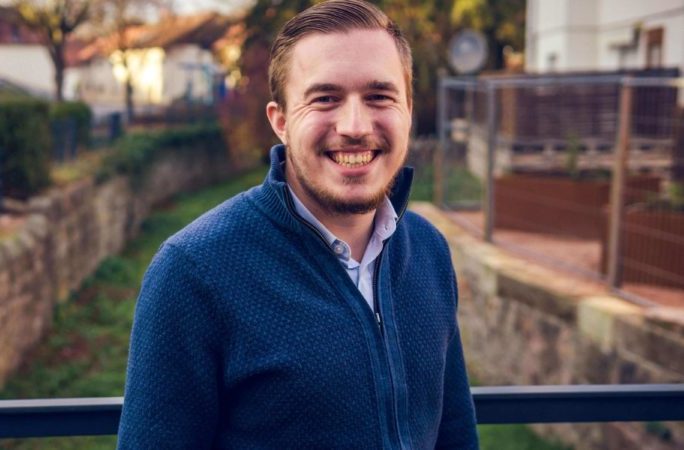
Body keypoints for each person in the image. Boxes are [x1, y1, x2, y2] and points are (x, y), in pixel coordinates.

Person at [117, 0, 479, 448]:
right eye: (325, 98)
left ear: (408, 111)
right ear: (281, 122)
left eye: (379, 97)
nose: (354, 126)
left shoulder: (428, 250)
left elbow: (455, 436)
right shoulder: (193, 272)